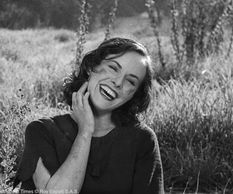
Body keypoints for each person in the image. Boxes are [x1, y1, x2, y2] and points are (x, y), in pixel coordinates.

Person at [13, 37, 164, 194]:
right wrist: (85, 132)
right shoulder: (41, 131)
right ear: (92, 67)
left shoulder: (142, 140)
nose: (118, 82)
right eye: (113, 68)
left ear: (134, 95)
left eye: (131, 81)